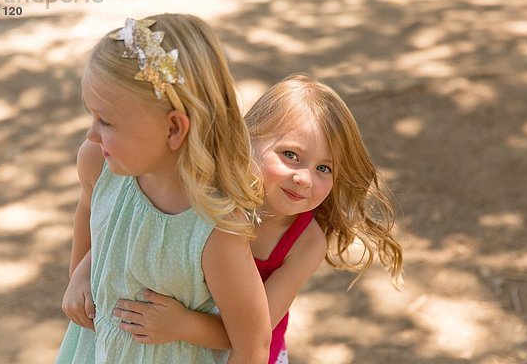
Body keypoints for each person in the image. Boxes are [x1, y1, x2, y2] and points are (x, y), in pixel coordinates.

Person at [94, 74, 404, 363]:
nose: (305, 179)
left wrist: (183, 325)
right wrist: (85, 270)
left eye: (324, 168)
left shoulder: (306, 243)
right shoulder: (213, 193)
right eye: (291, 155)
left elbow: (258, 332)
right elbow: (116, 221)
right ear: (247, 140)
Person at [56, 14, 271, 364]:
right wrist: (80, 274)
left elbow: (253, 344)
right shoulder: (99, 163)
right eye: (91, 116)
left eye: (106, 121)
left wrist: (186, 325)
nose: (92, 134)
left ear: (174, 128)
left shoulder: (213, 228)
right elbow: (90, 210)